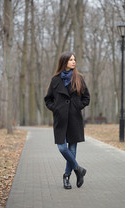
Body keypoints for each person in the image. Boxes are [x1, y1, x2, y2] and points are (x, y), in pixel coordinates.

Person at [44, 51, 90, 189]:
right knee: (62, 147)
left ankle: (66, 177)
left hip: (74, 118)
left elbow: (86, 98)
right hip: (60, 119)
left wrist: (76, 107)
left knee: (72, 149)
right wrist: (56, 109)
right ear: (64, 62)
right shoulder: (55, 80)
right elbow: (48, 99)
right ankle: (78, 169)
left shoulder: (79, 78)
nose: (74, 62)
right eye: (71, 60)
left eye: (74, 59)